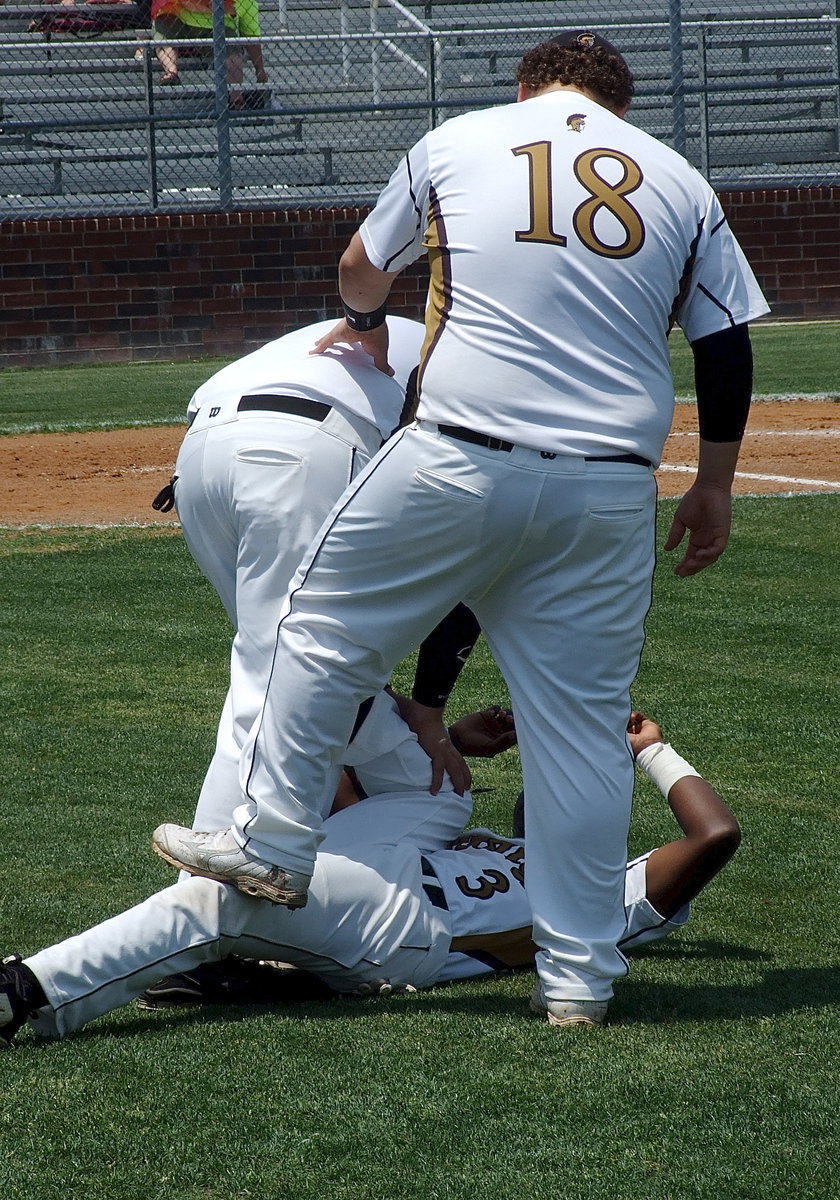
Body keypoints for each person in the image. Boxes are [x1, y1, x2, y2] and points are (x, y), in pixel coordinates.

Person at [149, 30, 769, 1027]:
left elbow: (362, 267)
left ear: (527, 86)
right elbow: (725, 338)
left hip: (460, 451)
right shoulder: (680, 181)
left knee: (319, 626)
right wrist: (718, 484)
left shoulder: (459, 139)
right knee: (575, 736)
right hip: (610, 486)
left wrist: (358, 318)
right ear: (620, 105)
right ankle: (577, 986)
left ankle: (273, 842)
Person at [0, 704, 739, 1045]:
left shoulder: (617, 895)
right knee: (431, 776)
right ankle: (307, 666)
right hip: (390, 878)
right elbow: (368, 799)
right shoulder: (483, 834)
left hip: (411, 930)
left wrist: (651, 752)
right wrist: (448, 743)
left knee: (210, 903)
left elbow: (714, 835)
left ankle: (24, 993)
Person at [152, 316, 474, 839]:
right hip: (304, 450)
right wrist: (430, 709)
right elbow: (467, 562)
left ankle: (391, 801)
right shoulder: (481, 367)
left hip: (200, 457)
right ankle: (212, 882)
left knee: (290, 665)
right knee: (283, 679)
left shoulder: (431, 332)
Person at [150, 0, 267, 97]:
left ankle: (236, 99)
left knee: (232, 50)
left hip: (218, 29)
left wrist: (260, 72)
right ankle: (171, 73)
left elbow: (251, 38)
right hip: (179, 21)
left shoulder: (246, 2)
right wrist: (210, 7)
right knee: (162, 22)